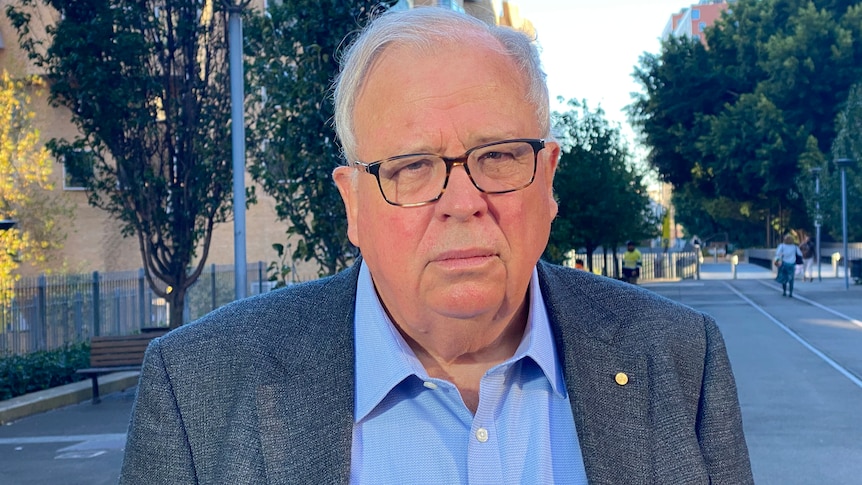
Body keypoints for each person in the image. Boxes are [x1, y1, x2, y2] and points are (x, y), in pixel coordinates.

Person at [120, 7, 753, 484]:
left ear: (549, 181)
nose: (461, 200)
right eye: (412, 166)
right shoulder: (200, 389)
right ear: (353, 204)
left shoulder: (678, 361)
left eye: (500, 155)